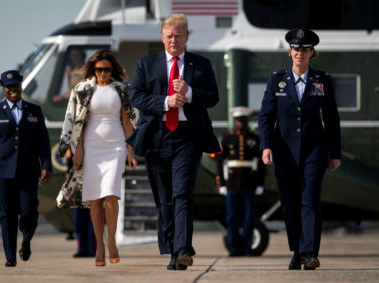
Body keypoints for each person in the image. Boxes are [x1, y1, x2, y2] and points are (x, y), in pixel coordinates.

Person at [127, 13, 220, 270]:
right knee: (164, 199)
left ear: (186, 37)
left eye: (178, 35)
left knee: (182, 194)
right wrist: (165, 102)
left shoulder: (201, 65)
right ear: (162, 38)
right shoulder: (147, 64)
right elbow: (135, 96)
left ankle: (182, 249)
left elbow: (213, 97)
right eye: (169, 36)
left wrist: (188, 93)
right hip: (157, 137)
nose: (173, 40)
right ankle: (172, 249)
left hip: (187, 138)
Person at [258, 28, 341, 270]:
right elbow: (266, 116)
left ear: (312, 53)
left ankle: (309, 253)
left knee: (310, 200)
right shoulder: (277, 79)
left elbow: (332, 118)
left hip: (315, 149)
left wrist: (335, 153)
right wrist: (265, 146)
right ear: (290, 51)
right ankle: (297, 249)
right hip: (284, 150)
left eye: (305, 50)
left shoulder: (322, 80)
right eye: (296, 49)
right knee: (290, 203)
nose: (299, 53)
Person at [59, 49, 137, 267]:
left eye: (107, 70)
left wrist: (130, 151)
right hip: (91, 147)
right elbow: (78, 122)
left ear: (113, 70)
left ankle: (111, 241)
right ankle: (99, 246)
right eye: (99, 69)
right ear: (93, 70)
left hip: (115, 146)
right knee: (95, 199)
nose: (103, 73)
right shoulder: (83, 90)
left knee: (111, 195)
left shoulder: (121, 89)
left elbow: (127, 121)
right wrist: (78, 150)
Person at [0, 70, 52, 267]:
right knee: (6, 214)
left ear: (21, 86)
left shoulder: (34, 111)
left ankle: (25, 241)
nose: (13, 90)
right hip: (2, 171)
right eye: (9, 87)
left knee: (29, 212)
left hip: (28, 171)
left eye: (16, 85)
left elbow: (43, 141)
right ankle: (10, 257)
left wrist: (46, 167)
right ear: (3, 89)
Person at [216, 107, 265, 257]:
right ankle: (235, 248)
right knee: (232, 217)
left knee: (248, 217)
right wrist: (221, 184)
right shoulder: (227, 138)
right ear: (235, 121)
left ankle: (247, 247)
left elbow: (261, 163)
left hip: (249, 183)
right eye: (238, 120)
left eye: (243, 120)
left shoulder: (254, 138)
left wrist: (260, 183)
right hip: (231, 183)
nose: (240, 123)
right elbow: (220, 161)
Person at [65, 148, 96, 258]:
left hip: (94, 178)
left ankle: (93, 248)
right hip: (77, 181)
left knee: (93, 218)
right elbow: (70, 161)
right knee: (79, 218)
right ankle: (82, 248)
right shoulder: (74, 139)